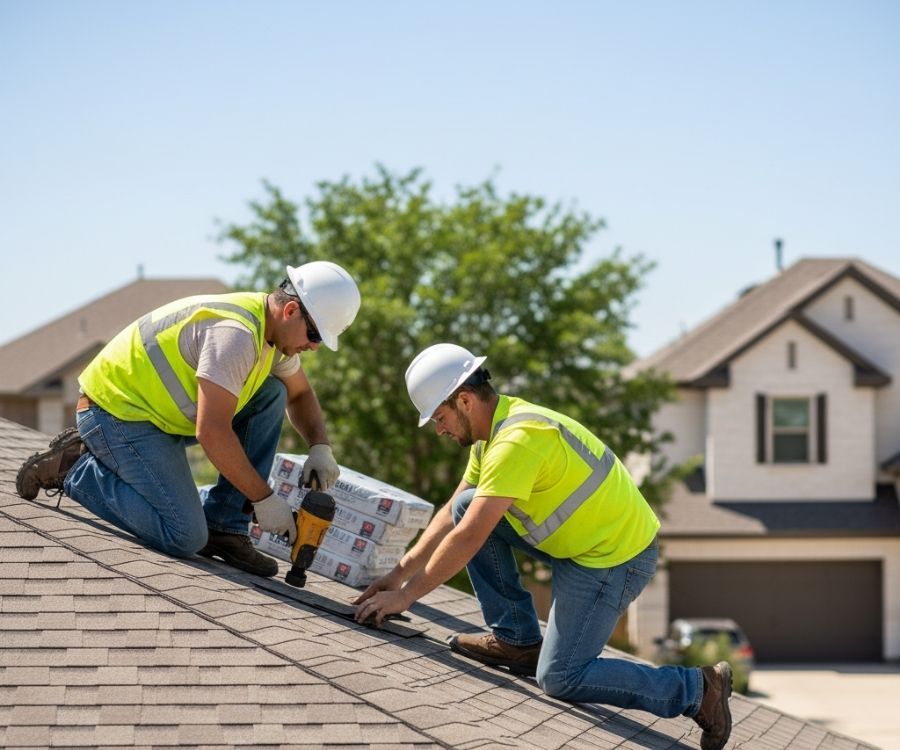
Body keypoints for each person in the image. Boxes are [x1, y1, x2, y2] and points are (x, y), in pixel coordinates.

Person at [354, 343, 732, 750]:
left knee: (561, 677)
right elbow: (454, 511)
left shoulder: (518, 439)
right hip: (578, 546)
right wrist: (399, 572)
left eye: (440, 418)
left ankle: (697, 689)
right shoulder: (491, 432)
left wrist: (406, 598)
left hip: (615, 559)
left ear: (464, 400)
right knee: (467, 505)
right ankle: (518, 641)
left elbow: (470, 537)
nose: (440, 429)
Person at [16, 261, 360, 579]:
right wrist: (263, 498)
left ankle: (225, 527)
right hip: (113, 413)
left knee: (272, 393)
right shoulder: (236, 335)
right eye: (314, 336)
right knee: (184, 535)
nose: (314, 347)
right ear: (290, 310)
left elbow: (299, 394)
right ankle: (73, 468)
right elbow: (212, 432)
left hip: (159, 419)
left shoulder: (271, 335)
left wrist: (320, 446)